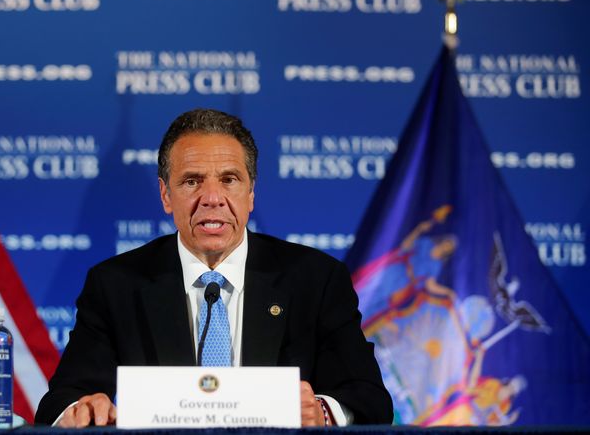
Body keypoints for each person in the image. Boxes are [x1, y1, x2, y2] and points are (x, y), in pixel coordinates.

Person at [35, 109, 393, 427]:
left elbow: (368, 397)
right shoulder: (116, 285)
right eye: (192, 181)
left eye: (229, 180)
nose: (211, 198)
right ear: (165, 195)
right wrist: (80, 409)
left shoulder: (315, 279)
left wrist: (323, 412)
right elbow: (60, 401)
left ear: (251, 193)